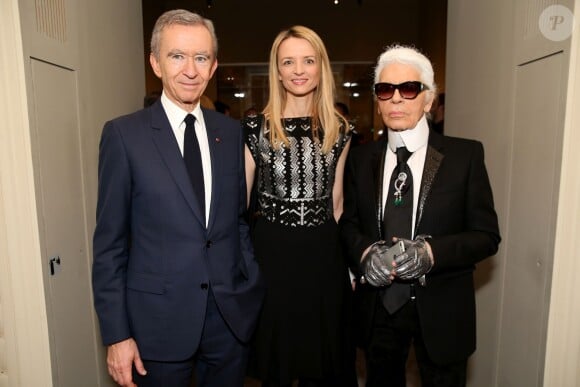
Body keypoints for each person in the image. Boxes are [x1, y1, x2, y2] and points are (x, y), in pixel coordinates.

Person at [92, 9, 264, 387]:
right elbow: (110, 245)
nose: (191, 69)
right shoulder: (124, 136)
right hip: (157, 326)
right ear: (155, 63)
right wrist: (117, 335)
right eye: (177, 56)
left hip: (228, 323)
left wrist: (247, 282)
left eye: (201, 58)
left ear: (214, 65)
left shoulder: (230, 133)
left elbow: (237, 219)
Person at [340, 44, 500, 387]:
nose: (396, 99)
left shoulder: (464, 156)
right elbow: (349, 224)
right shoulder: (361, 158)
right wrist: (366, 252)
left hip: (442, 307)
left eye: (408, 88)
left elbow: (486, 236)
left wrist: (431, 253)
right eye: (385, 90)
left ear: (428, 100)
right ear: (377, 99)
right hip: (378, 309)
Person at [242, 25, 354, 386]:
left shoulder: (339, 129)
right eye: (288, 61)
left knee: (322, 364)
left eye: (308, 60)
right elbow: (240, 208)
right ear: (277, 70)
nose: (298, 70)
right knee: (276, 364)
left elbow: (337, 204)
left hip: (323, 257)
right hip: (271, 256)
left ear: (321, 66)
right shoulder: (255, 128)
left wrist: (348, 269)